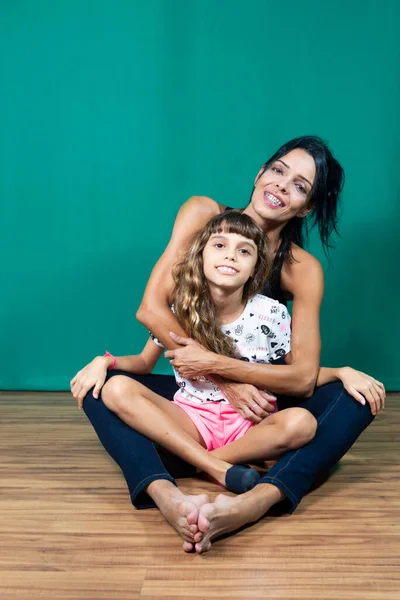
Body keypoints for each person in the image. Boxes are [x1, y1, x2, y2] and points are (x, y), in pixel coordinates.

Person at [71, 135, 385, 553]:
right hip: (200, 398)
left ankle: (255, 500)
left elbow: (302, 377)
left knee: (356, 400)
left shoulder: (301, 270)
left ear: (306, 207)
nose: (280, 186)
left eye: (299, 185)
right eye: (277, 170)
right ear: (260, 173)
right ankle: (174, 491)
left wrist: (335, 374)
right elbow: (152, 310)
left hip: (257, 406)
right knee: (99, 390)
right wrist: (221, 378)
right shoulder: (204, 213)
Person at [98, 211, 319, 496]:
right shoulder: (179, 311)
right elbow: (143, 362)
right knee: (116, 389)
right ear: (201, 256)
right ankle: (220, 469)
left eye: (244, 251)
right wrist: (107, 362)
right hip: (192, 418)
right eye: (219, 246)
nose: (230, 256)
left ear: (256, 268)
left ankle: (205, 461)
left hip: (248, 422)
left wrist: (340, 372)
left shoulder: (272, 313)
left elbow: (293, 371)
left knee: (302, 424)